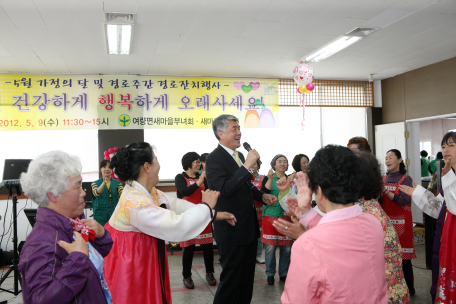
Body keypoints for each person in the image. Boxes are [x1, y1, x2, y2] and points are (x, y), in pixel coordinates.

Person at [104, 142, 236, 304]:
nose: (159, 165)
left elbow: (177, 205)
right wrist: (206, 206)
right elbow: (177, 225)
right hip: (132, 263)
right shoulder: (135, 203)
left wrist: (214, 214)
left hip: (141, 255)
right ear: (146, 167)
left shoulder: (146, 191)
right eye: (156, 160)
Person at [275, 151, 411, 304]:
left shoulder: (307, 244)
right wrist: (306, 213)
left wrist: (304, 236)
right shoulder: (372, 222)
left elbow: (296, 299)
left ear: (318, 191)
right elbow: (338, 229)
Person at [19, 150, 113, 304]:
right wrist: (77, 260)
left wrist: (101, 235)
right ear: (53, 195)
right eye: (78, 187)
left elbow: (99, 255)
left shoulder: (74, 223)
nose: (83, 193)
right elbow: (40, 300)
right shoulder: (40, 243)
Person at [206, 114, 277, 304]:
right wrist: (247, 165)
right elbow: (225, 189)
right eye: (234, 129)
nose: (239, 133)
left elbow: (246, 186)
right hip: (231, 229)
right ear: (220, 133)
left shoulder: (238, 156)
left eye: (239, 128)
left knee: (246, 281)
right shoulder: (214, 159)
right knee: (231, 281)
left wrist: (262, 196)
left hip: (247, 228)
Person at [399, 131, 456, 303]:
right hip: (448, 235)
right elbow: (441, 209)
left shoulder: (447, 176)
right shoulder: (447, 174)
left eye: (451, 145)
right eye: (443, 145)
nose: (446, 149)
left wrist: (446, 180)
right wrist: (419, 194)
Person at [175, 152, 216, 289]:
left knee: (208, 247)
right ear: (188, 163)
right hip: (188, 218)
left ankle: (210, 273)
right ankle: (187, 276)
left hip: (203, 216)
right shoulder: (180, 177)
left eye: (200, 161)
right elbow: (184, 192)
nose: (199, 163)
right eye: (196, 161)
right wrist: (199, 182)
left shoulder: (203, 177)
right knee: (189, 248)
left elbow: (210, 191)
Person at [381, 148, 416, 295]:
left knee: (404, 258)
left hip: (402, 223)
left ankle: (410, 290)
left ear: (400, 160)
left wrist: (386, 192)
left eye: (391, 157)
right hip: (387, 222)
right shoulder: (383, 179)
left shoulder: (406, 179)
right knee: (388, 257)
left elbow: (404, 200)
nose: (388, 160)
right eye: (386, 158)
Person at [261, 154, 293, 285]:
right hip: (270, 216)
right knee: (270, 247)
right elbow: (263, 192)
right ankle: (270, 274)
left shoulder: (290, 179)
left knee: (286, 248)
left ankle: (284, 273)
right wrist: (270, 178)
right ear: (274, 164)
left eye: (285, 161)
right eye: (279, 161)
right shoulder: (268, 178)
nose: (282, 163)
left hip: (286, 216)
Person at [91, 160, 123, 226]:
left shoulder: (118, 183)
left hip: (114, 213)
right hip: (100, 215)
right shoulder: (95, 183)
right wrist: (103, 183)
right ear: (100, 169)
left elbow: (123, 194)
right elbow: (96, 193)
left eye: (109, 167)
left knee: (114, 234)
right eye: (104, 167)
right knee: (101, 234)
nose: (107, 169)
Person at [250, 162, 265, 264]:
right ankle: (250, 255)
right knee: (251, 235)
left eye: (255, 164)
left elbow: (264, 192)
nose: (253, 166)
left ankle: (258, 255)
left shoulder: (263, 178)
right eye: (251, 164)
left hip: (261, 211)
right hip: (250, 211)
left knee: (259, 236)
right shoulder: (245, 178)